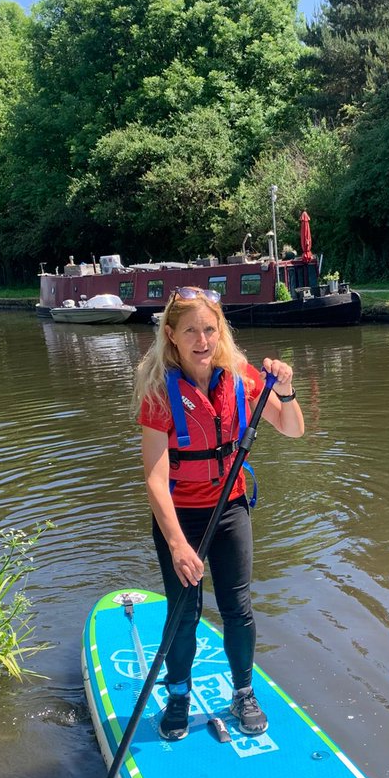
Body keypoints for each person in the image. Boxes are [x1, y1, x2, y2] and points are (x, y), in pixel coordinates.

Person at [133, 285, 305, 741]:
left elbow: (292, 430)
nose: (203, 340)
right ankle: (179, 695)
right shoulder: (159, 391)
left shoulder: (243, 377)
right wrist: (177, 545)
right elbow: (154, 478)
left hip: (229, 509)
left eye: (210, 329)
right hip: (180, 516)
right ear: (171, 334)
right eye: (191, 330)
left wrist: (285, 391)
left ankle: (244, 692)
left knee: (238, 607)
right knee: (184, 611)